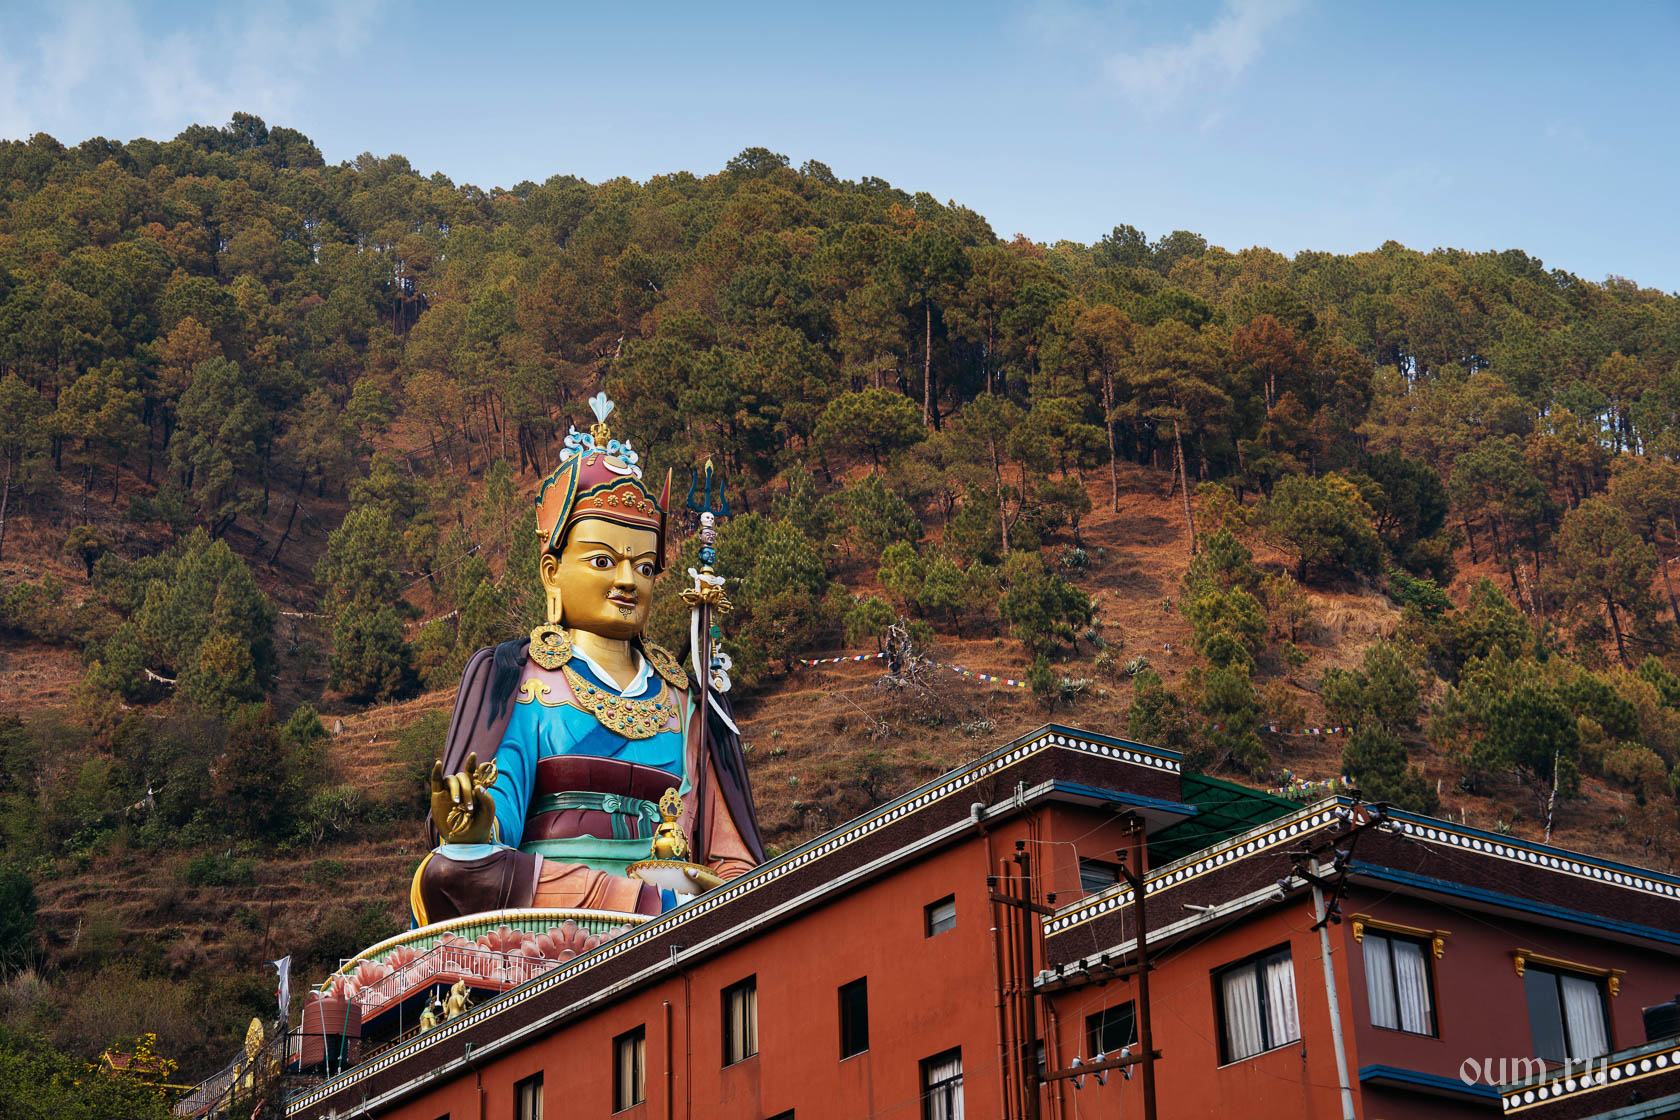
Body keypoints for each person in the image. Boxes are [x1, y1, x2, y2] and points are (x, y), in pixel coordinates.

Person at [409, 396, 763, 925]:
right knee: (453, 869)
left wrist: (714, 888)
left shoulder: (688, 702)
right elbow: (494, 816)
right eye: (602, 560)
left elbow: (731, 860)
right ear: (552, 574)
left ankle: (654, 909)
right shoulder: (519, 677)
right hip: (549, 901)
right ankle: (645, 908)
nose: (627, 581)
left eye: (645, 567)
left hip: (670, 901)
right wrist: (475, 827)